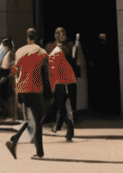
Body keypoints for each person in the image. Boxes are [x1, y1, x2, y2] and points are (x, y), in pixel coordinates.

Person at [5, 29, 48, 160]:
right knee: (39, 119)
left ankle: (14, 140)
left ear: (27, 37)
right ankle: (39, 152)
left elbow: (14, 71)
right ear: (38, 37)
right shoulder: (41, 51)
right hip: (34, 89)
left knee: (29, 119)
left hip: (22, 89)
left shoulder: (19, 51)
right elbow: (47, 68)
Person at [47, 29, 76, 139]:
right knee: (65, 108)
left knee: (61, 107)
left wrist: (53, 87)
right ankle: (67, 131)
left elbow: (53, 73)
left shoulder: (55, 54)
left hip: (61, 84)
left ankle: (59, 127)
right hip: (67, 83)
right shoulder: (60, 54)